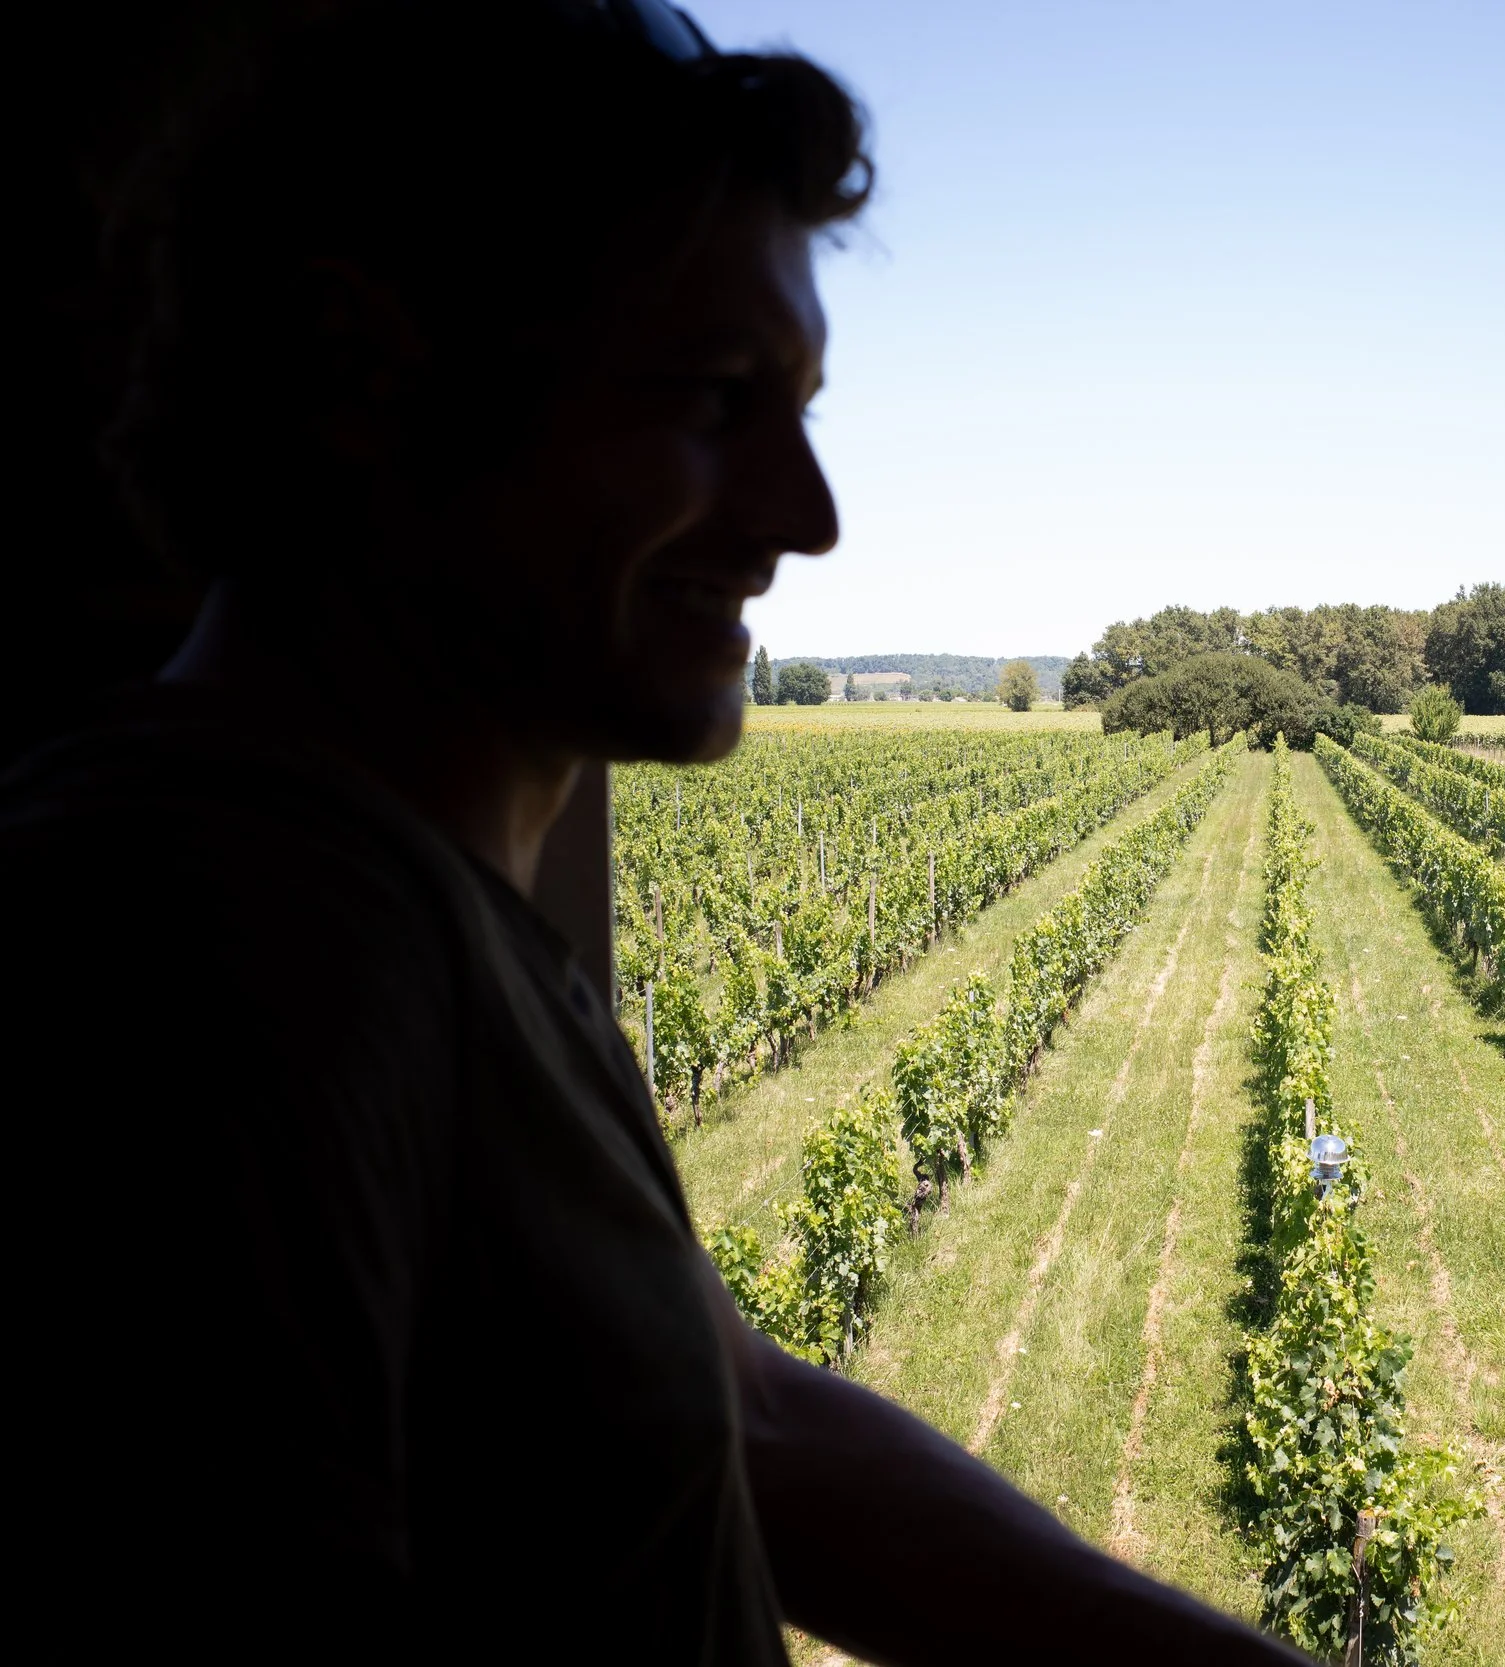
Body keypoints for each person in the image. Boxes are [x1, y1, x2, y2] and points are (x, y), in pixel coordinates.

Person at [3, 3, 1303, 1662]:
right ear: (361, 376)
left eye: (806, 406)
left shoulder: (408, 917)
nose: (808, 517)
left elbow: (747, 1425)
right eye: (713, 399)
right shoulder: (222, 967)